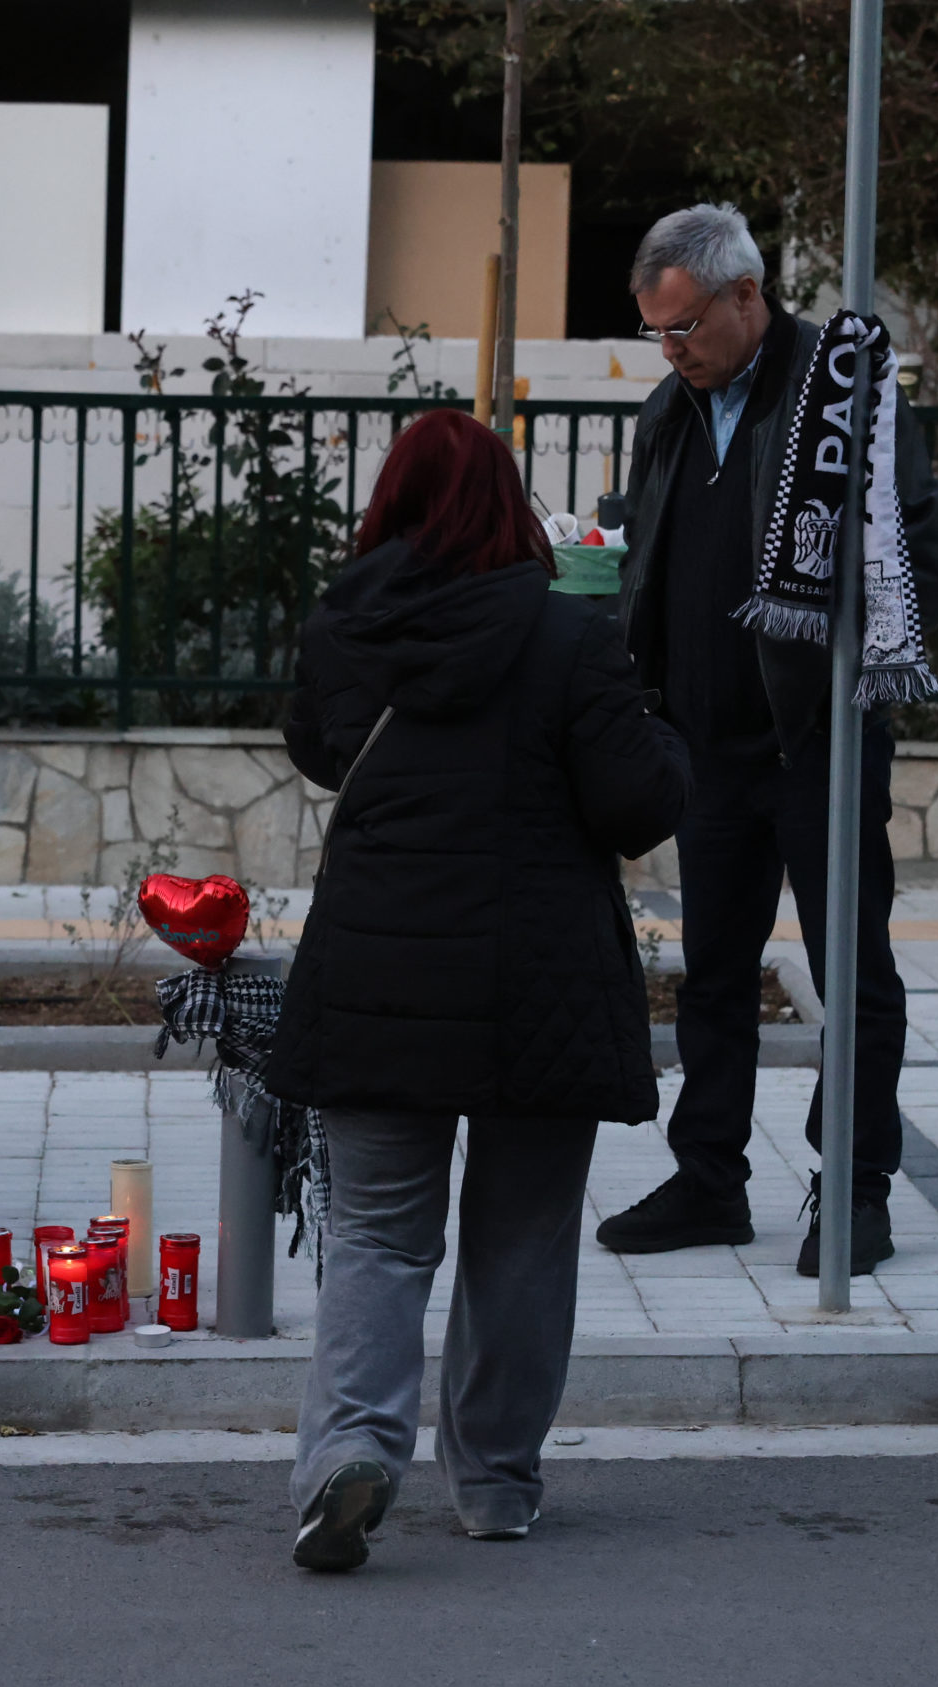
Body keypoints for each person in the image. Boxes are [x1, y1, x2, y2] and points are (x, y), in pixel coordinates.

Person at [267, 408, 691, 1572]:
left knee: (377, 1237)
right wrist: (658, 726)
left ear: (391, 506)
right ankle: (495, 1485)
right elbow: (636, 804)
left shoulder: (344, 625)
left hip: (378, 978)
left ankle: (349, 1454)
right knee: (520, 1240)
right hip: (535, 988)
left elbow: (317, 748)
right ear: (509, 507)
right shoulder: (565, 634)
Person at [594, 204, 938, 1277]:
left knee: (854, 973)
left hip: (817, 744)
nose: (670, 349)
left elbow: (916, 540)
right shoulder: (670, 407)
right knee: (713, 976)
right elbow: (650, 548)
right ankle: (709, 1180)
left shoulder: (842, 393)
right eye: (656, 331)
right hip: (702, 744)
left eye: (684, 326)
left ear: (746, 296)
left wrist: (853, 679)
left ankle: (854, 1189)